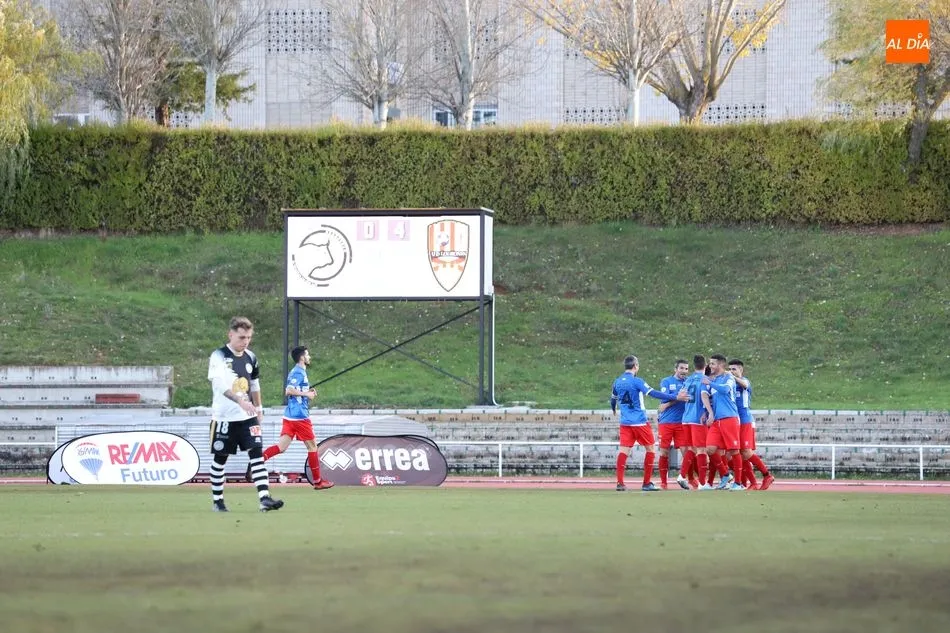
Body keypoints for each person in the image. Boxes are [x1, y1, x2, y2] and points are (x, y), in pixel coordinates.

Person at [207, 316, 284, 513]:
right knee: (220, 459)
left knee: (256, 455)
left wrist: (259, 408)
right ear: (230, 335)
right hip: (224, 418)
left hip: (248, 417)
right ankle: (218, 501)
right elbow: (219, 384)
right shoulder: (218, 356)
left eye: (249, 337)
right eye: (242, 337)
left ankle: (264, 498)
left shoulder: (251, 356)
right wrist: (239, 400)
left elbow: (254, 384)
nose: (246, 341)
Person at [610, 355, 689, 492]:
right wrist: (676, 397)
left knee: (623, 451)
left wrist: (613, 410)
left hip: (625, 423)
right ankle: (646, 483)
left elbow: (613, 399)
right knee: (650, 449)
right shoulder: (637, 381)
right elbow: (654, 393)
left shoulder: (617, 382)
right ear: (636, 366)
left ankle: (620, 483)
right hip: (639, 422)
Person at [263, 346, 335, 490]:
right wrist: (306, 394)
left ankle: (256, 463)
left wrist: (307, 392)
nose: (309, 357)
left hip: (289, 416)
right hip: (300, 416)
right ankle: (318, 482)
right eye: (307, 355)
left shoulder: (296, 371)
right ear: (302, 357)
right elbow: (289, 390)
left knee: (281, 447)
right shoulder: (298, 372)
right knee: (312, 447)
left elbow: (295, 389)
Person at [729, 359, 775, 490]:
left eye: (734, 369)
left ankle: (767, 475)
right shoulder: (730, 384)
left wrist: (732, 377)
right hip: (734, 421)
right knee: (736, 453)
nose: (731, 372)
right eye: (730, 369)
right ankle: (750, 482)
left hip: (745, 420)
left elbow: (745, 384)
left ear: (741, 370)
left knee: (746, 452)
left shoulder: (744, 381)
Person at [705, 354, 745, 491]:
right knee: (710, 449)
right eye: (710, 363)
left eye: (713, 364)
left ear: (721, 365)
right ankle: (726, 475)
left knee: (734, 450)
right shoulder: (714, 380)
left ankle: (738, 483)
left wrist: (710, 383)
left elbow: (725, 390)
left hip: (730, 418)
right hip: (717, 420)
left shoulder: (729, 378)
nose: (710, 366)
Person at [676, 355, 715, 490]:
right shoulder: (705, 380)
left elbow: (681, 395)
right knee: (701, 450)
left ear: (694, 366)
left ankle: (682, 476)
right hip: (698, 418)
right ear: (706, 366)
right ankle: (703, 484)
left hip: (686, 418)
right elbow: (705, 397)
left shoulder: (688, 380)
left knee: (691, 449)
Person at [656, 359, 690, 489]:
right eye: (681, 368)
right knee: (664, 452)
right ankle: (663, 482)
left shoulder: (688, 382)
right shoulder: (666, 381)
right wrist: (678, 397)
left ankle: (687, 478)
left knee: (686, 452)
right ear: (675, 369)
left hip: (682, 422)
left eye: (686, 369)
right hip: (666, 422)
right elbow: (664, 399)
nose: (684, 371)